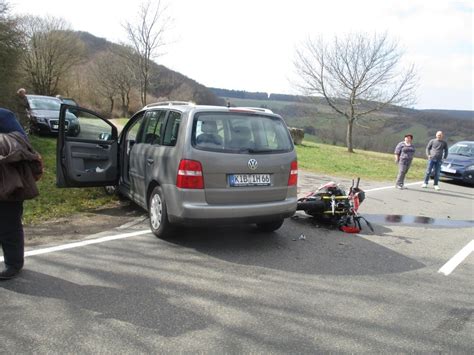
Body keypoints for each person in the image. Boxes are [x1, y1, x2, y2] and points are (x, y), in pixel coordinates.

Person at [0, 108, 43, 280]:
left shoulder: (4, 115)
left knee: (8, 224)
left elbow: (23, 143)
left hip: (8, 180)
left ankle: (14, 264)